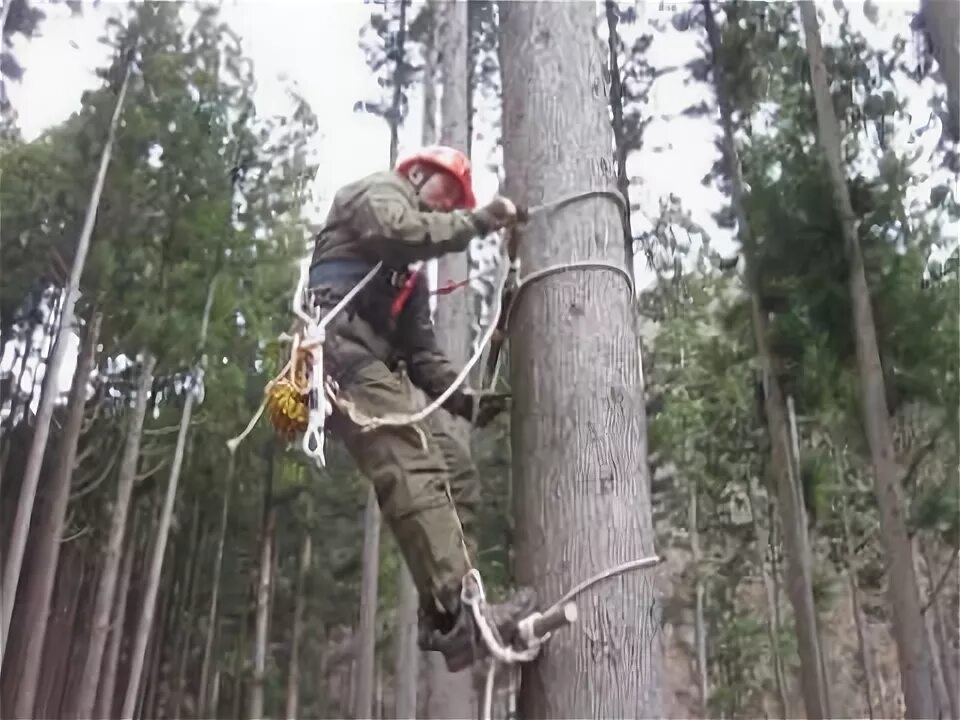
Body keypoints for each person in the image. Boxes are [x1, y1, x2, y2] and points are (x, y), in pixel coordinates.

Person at [308, 145, 537, 672]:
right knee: (414, 466)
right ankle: (463, 607)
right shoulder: (379, 191)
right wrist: (479, 220)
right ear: (416, 172)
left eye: (457, 201)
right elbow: (397, 231)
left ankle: (445, 617)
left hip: (370, 368)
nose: (447, 206)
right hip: (337, 353)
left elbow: (421, 356)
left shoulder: (408, 279)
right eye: (447, 194)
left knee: (454, 472)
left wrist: (465, 401)